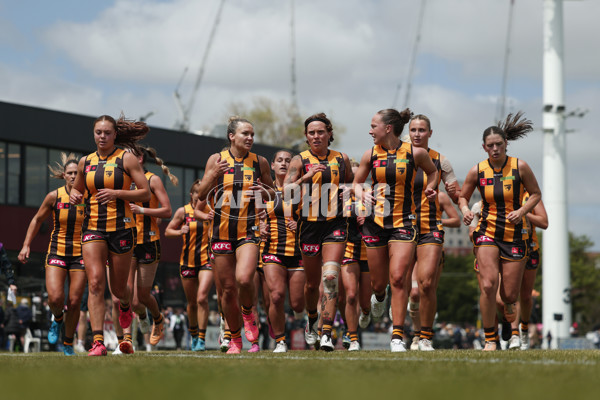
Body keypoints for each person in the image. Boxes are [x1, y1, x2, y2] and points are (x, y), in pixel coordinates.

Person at [352, 108, 438, 352]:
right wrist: (363, 193)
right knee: (379, 284)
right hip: (375, 224)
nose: (370, 131)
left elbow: (433, 173)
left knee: (399, 278)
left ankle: (397, 336)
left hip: (403, 223)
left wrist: (431, 188)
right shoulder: (370, 155)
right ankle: (379, 297)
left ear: (387, 128)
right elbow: (357, 183)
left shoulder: (416, 153)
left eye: (373, 126)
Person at [69, 114, 151, 356]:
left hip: (122, 228)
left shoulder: (126, 159)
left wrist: (117, 193)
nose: (102, 136)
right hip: (93, 227)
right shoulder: (85, 162)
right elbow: (78, 190)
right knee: (94, 282)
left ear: (115, 135)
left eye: (107, 132)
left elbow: (145, 193)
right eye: (98, 132)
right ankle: (98, 343)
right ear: (93, 134)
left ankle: (125, 305)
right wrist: (75, 195)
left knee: (118, 289)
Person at [459, 112, 541, 351]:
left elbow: (536, 194)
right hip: (487, 231)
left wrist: (523, 211)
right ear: (484, 147)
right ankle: (490, 339)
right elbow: (463, 196)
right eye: (490, 145)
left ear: (506, 144)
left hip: (514, 235)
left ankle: (509, 319)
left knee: (509, 296)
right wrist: (465, 209)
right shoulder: (477, 171)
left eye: (499, 144)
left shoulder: (520, 167)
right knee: (487, 286)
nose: (495, 149)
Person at [197, 116, 274, 354]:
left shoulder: (259, 161)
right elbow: (201, 194)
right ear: (232, 136)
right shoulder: (216, 159)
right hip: (220, 232)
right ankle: (235, 339)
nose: (250, 138)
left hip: (248, 230)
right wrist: (212, 175)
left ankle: (248, 312)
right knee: (228, 290)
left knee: (243, 279)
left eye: (252, 134)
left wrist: (264, 190)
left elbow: (273, 192)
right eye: (245, 134)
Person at [283, 113, 353, 351]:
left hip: (335, 222)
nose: (316, 136)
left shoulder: (341, 158)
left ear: (329, 134)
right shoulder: (298, 160)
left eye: (320, 132)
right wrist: (305, 177)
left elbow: (352, 184)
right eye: (311, 132)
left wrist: (354, 195)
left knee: (331, 278)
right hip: (308, 225)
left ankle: (326, 332)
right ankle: (312, 318)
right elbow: (287, 190)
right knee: (312, 285)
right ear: (306, 136)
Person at [17, 153, 86, 356]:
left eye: (77, 173)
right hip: (57, 250)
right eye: (70, 173)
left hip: (81, 254)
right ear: (64, 175)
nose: (74, 176)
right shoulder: (54, 197)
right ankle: (57, 319)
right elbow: (37, 220)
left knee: (74, 302)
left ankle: (68, 343)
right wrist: (25, 245)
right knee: (56, 298)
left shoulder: (89, 197)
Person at [113, 146, 177, 354]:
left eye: (129, 154)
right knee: (126, 295)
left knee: (142, 295)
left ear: (139, 158)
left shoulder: (153, 180)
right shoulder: (120, 179)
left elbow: (167, 210)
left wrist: (143, 210)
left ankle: (157, 318)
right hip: (127, 240)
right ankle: (127, 340)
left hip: (149, 241)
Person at [406, 114, 460, 351]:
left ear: (430, 133)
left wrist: (459, 197)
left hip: (430, 229)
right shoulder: (398, 156)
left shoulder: (441, 161)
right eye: (413, 129)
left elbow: (456, 194)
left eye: (422, 130)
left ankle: (425, 336)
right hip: (402, 228)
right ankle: (413, 332)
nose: (417, 134)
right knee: (413, 292)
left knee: (426, 286)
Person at [260, 150, 305, 353]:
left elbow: (314, 219)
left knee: (297, 304)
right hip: (272, 251)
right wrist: (259, 226)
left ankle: (305, 318)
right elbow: (251, 217)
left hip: (297, 252)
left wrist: (301, 224)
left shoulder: (302, 190)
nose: (284, 164)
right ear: (272, 165)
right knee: (276, 296)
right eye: (280, 160)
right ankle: (280, 341)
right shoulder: (263, 191)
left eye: (288, 161)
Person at [407, 191, 460, 350]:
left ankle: (425, 335)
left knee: (427, 291)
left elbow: (456, 221)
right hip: (410, 243)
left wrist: (438, 221)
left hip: (432, 245)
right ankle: (417, 334)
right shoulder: (405, 192)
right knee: (415, 294)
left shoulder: (440, 196)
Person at [166, 179, 214, 352]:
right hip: (187, 262)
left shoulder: (210, 210)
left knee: (202, 298)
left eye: (204, 192)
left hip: (207, 260)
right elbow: (167, 231)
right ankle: (193, 336)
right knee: (192, 303)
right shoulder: (183, 211)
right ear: (192, 194)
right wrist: (180, 231)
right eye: (197, 192)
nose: (200, 195)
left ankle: (201, 339)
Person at [509, 192, 548, 350]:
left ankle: (523, 329)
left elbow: (544, 223)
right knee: (511, 294)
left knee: (525, 296)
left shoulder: (529, 197)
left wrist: (523, 212)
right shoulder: (501, 194)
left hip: (530, 248)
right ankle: (513, 334)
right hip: (508, 247)